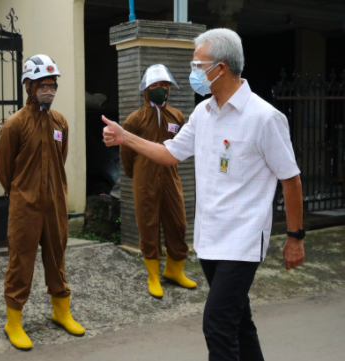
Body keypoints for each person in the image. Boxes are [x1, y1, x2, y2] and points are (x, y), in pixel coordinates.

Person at [102, 29, 305, 361]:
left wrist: (296, 237)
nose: (193, 72)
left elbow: (291, 179)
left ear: (220, 68)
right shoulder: (204, 113)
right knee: (239, 322)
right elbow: (169, 153)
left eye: (198, 64)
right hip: (210, 238)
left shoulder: (265, 117)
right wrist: (125, 137)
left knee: (217, 325)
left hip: (243, 239)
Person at [0, 54, 85, 351]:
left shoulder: (60, 121)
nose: (49, 90)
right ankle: (14, 321)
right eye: (43, 85)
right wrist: (22, 191)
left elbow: (62, 158)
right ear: (29, 87)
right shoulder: (14, 124)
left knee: (57, 255)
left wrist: (54, 190)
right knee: (21, 260)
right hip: (25, 204)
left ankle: (61, 311)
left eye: (53, 84)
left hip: (56, 202)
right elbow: (3, 169)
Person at [121, 64, 197, 299]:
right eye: (155, 85)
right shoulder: (135, 119)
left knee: (178, 222)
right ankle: (153, 275)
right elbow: (126, 153)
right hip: (144, 180)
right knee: (149, 224)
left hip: (171, 177)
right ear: (146, 89)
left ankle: (174, 270)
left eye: (164, 85)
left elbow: (182, 147)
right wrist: (139, 175)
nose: (160, 89)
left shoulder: (177, 116)